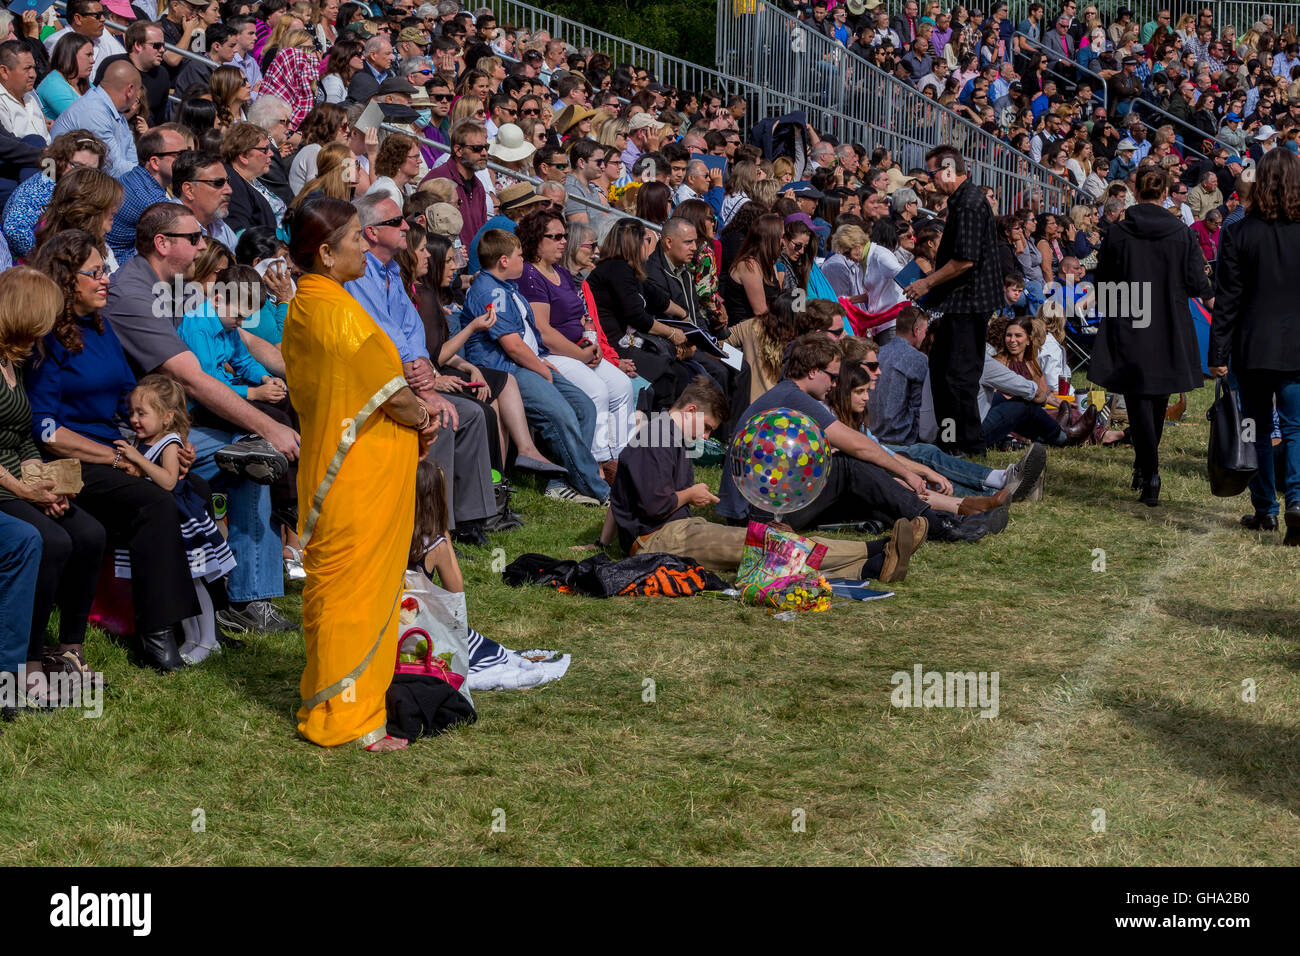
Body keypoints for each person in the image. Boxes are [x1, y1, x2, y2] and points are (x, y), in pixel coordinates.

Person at [282, 195, 436, 750]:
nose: (365, 246)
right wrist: (426, 416)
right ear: (325, 253)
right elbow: (391, 392)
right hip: (356, 471)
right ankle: (349, 719)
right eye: (354, 239)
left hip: (349, 464)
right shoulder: (333, 310)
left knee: (347, 588)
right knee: (355, 590)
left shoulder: (310, 302)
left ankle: (339, 701)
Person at [103, 201, 295, 635]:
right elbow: (191, 379)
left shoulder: (174, 286)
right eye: (194, 238)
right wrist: (269, 425)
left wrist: (290, 369)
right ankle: (240, 596)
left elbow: (238, 333)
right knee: (255, 450)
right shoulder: (134, 293)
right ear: (162, 243)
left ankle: (246, 600)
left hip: (175, 426)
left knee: (253, 460)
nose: (203, 245)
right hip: (137, 435)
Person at [25, 231, 200, 671]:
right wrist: (121, 459)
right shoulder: (48, 338)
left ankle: (203, 619)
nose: (107, 279)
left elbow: (133, 395)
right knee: (153, 502)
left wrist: (170, 441)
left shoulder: (101, 329)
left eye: (106, 270)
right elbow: (47, 430)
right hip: (68, 460)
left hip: (118, 449)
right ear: (68, 280)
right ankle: (157, 636)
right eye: (97, 272)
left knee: (191, 484)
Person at [610, 375, 925, 584]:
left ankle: (869, 564)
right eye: (706, 427)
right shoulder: (655, 437)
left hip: (676, 532)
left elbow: (621, 492)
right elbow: (653, 505)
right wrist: (691, 493)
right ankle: (877, 550)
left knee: (770, 542)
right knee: (767, 544)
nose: (705, 436)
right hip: (658, 538)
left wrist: (601, 541)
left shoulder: (662, 435)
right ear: (690, 409)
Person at [347, 193, 496, 544]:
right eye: (395, 222)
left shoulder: (391, 273)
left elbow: (410, 327)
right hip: (377, 382)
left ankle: (471, 519)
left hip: (407, 376)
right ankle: (430, 530)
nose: (405, 226)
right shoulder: (358, 272)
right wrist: (418, 373)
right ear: (370, 232)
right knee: (440, 419)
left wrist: (421, 369)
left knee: (471, 414)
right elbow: (380, 326)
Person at [0, 266, 106, 703]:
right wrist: (26, 491)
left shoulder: (13, 361)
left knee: (88, 533)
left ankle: (69, 648)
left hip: (20, 478)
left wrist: (46, 484)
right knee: (52, 541)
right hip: (5, 486)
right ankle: (27, 660)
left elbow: (24, 435)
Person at [464, 228, 611, 505]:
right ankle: (599, 490)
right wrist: (541, 369)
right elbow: (511, 345)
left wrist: (541, 362)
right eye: (520, 256)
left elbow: (524, 341)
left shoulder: (507, 287)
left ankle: (561, 482)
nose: (524, 261)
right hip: (506, 368)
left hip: (530, 362)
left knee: (584, 407)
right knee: (563, 414)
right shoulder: (490, 289)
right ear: (504, 261)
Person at [1093, 167, 1212, 506]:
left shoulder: (1118, 233)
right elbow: (1194, 282)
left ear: (1136, 191)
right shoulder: (1182, 232)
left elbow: (1103, 281)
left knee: (1139, 398)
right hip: (1168, 318)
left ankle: (1149, 468)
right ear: (1163, 194)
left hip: (1131, 317)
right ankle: (1148, 467)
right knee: (1156, 397)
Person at [1209, 149, 1300, 542]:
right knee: (1295, 429)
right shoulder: (1241, 231)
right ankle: (1295, 500)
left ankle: (1267, 509)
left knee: (1258, 429)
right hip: (1294, 345)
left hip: (1254, 346)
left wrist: (1218, 353)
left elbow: (1227, 299)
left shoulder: (1239, 232)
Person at [114, 374, 235, 665]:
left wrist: (137, 460)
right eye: (132, 412)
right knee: (184, 581)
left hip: (186, 523)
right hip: (171, 526)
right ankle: (192, 637)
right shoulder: (144, 440)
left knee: (196, 582)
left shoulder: (169, 443)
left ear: (167, 417)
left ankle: (208, 639)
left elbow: (168, 481)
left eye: (142, 413)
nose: (134, 419)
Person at [517, 207, 634, 474]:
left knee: (621, 386)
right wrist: (579, 354)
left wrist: (592, 344)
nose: (563, 242)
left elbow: (581, 317)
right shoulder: (530, 275)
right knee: (596, 391)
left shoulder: (561, 272)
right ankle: (596, 464)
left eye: (564, 236)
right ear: (536, 239)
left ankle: (623, 458)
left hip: (577, 348)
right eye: (555, 237)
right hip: (551, 353)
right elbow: (542, 330)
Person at [903, 146, 1003, 457]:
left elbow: (965, 260)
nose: (929, 182)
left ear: (948, 170)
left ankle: (971, 446)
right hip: (958, 300)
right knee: (944, 369)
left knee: (959, 374)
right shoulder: (962, 201)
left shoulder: (970, 203)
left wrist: (926, 282)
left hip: (969, 301)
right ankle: (949, 441)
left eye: (931, 174)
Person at [50, 59, 139, 178]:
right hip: (64, 184)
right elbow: (113, 169)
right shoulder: (94, 111)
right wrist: (145, 177)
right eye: (138, 91)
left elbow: (132, 157)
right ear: (130, 90)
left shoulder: (117, 111)